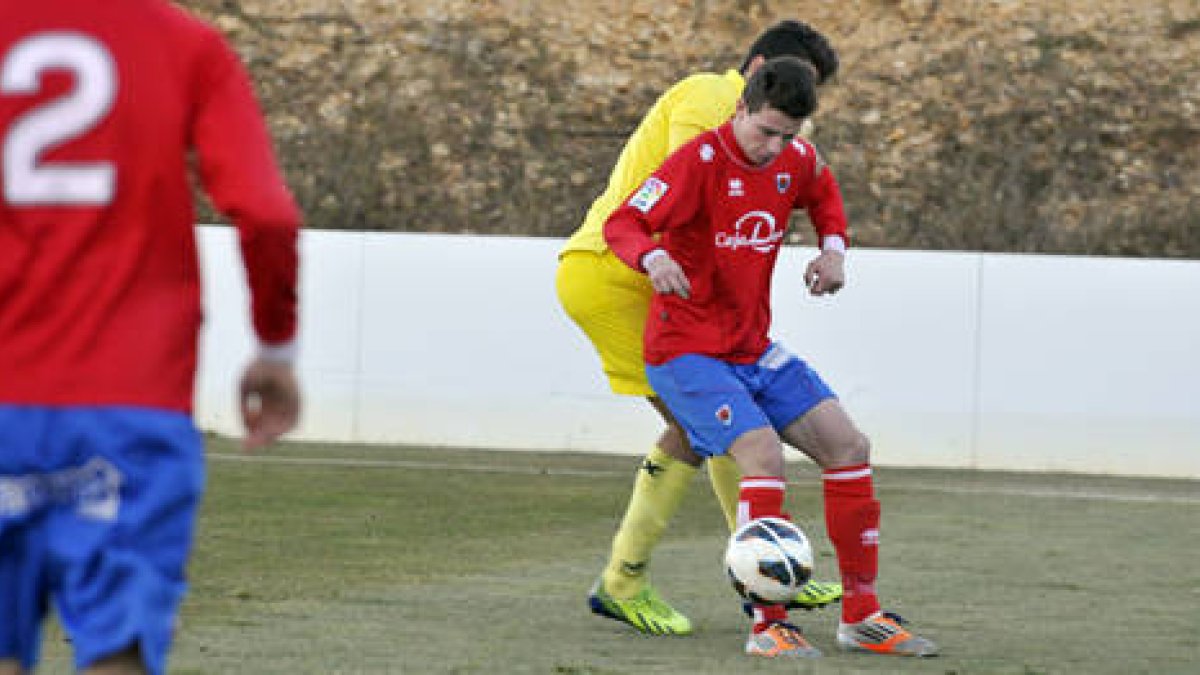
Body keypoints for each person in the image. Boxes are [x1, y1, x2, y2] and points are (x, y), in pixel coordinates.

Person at [0, 1, 302, 673]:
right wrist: (276, 348)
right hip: (130, 405)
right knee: (117, 652)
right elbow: (267, 214)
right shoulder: (186, 45)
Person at [604, 56, 938, 658]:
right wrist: (652, 259)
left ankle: (861, 615)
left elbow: (824, 190)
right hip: (685, 353)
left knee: (848, 446)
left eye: (787, 135)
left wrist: (833, 250)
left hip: (752, 349)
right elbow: (625, 222)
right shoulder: (698, 161)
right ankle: (768, 625)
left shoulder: (796, 159)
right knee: (761, 453)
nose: (773, 147)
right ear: (741, 109)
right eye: (765, 131)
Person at [556, 20, 843, 636]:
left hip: (646, 277)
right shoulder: (712, 98)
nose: (796, 101)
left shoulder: (763, 124)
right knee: (708, 421)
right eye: (790, 83)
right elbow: (700, 187)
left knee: (707, 423)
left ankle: (757, 559)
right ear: (759, 70)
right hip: (617, 272)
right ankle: (725, 570)